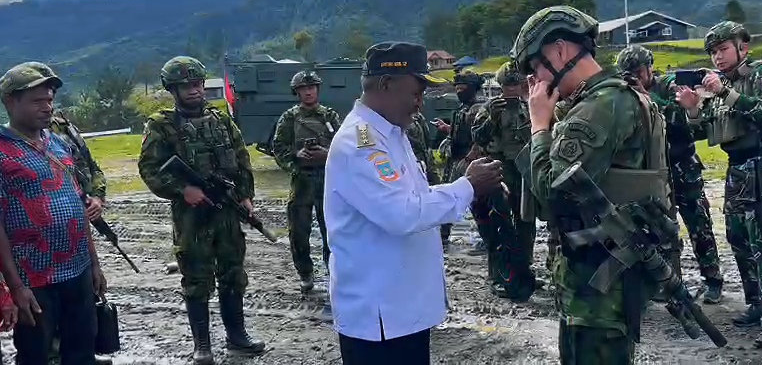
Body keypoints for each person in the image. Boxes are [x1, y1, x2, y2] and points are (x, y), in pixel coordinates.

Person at [325, 41, 504, 365]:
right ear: (386, 84)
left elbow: (415, 199)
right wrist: (468, 187)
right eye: (416, 92)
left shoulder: (391, 134)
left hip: (401, 311)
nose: (420, 103)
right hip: (380, 319)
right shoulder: (361, 143)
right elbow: (403, 213)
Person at [510, 6, 670, 363]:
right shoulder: (619, 97)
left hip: (598, 288)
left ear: (560, 50)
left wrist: (539, 127)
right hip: (605, 274)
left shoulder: (600, 107)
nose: (536, 80)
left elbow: (554, 194)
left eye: (536, 66)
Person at [138, 56, 265, 365]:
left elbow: (242, 159)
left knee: (233, 274)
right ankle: (202, 345)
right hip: (192, 217)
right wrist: (183, 190)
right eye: (186, 86)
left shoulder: (221, 120)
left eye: (197, 84)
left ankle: (237, 336)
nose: (194, 90)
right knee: (196, 280)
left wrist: (245, 196)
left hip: (226, 211)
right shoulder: (161, 124)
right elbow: (149, 168)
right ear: (173, 89)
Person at [676, 21, 762, 348]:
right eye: (713, 52)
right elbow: (706, 130)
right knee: (739, 238)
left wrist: (724, 92)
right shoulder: (720, 85)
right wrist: (693, 110)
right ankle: (756, 303)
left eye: (723, 49)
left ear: (743, 47)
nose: (718, 57)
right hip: (739, 167)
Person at [0, 61, 107, 365]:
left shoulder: (58, 144)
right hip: (33, 278)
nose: (47, 107)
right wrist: (15, 287)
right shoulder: (2, 151)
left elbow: (78, 204)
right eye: (37, 101)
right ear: (11, 101)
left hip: (77, 270)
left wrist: (94, 265)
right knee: (36, 355)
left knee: (82, 352)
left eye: (49, 100)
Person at [615, 45, 723, 303]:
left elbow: (680, 117)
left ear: (650, 68)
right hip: (652, 170)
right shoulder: (624, 93)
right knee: (657, 228)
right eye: (629, 73)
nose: (635, 77)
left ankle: (713, 280)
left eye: (638, 72)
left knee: (698, 224)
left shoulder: (668, 85)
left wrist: (647, 97)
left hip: (682, 165)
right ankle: (668, 283)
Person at [49, 111, 113, 365]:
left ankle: (80, 351)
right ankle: (54, 354)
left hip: (78, 217)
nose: (47, 103)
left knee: (83, 292)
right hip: (43, 227)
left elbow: (91, 167)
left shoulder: (65, 127)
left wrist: (97, 197)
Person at [471, 61, 537, 297]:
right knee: (498, 224)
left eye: (515, 85)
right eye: (507, 85)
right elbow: (477, 137)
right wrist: (492, 119)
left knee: (526, 222)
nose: (511, 90)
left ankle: (523, 271)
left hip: (523, 171)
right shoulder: (489, 108)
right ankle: (498, 274)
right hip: (499, 171)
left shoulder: (529, 106)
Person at [272, 70, 341, 293]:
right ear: (297, 92)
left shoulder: (330, 116)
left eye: (312, 87)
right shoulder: (289, 118)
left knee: (331, 229)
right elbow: (278, 148)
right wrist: (296, 158)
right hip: (302, 180)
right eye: (304, 88)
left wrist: (327, 154)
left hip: (327, 180)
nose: (309, 92)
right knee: (298, 231)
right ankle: (305, 272)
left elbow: (343, 146)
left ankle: (333, 271)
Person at [431, 69, 486, 248]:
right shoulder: (462, 109)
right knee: (449, 196)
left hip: (470, 160)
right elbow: (459, 133)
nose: (459, 91)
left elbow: (481, 138)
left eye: (463, 88)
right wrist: (447, 130)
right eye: (457, 88)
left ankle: (487, 238)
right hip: (455, 159)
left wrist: (471, 158)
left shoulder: (479, 109)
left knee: (478, 201)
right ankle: (442, 235)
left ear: (473, 88)